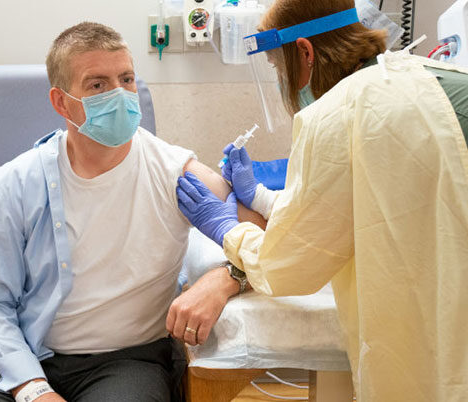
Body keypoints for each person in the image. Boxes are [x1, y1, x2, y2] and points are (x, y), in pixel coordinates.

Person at [0, 22, 265, 402]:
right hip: (27, 354)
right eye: (97, 85)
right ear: (61, 102)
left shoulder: (173, 170)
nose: (119, 94)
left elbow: (267, 237)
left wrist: (224, 279)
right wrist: (33, 390)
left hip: (127, 361)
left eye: (127, 78)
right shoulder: (14, 184)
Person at [176, 0, 468, 400]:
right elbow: (376, 203)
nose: (283, 83)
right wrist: (260, 198)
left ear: (305, 53)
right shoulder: (442, 76)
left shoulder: (335, 114)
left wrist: (229, 229)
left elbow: (290, 264)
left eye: (280, 70)